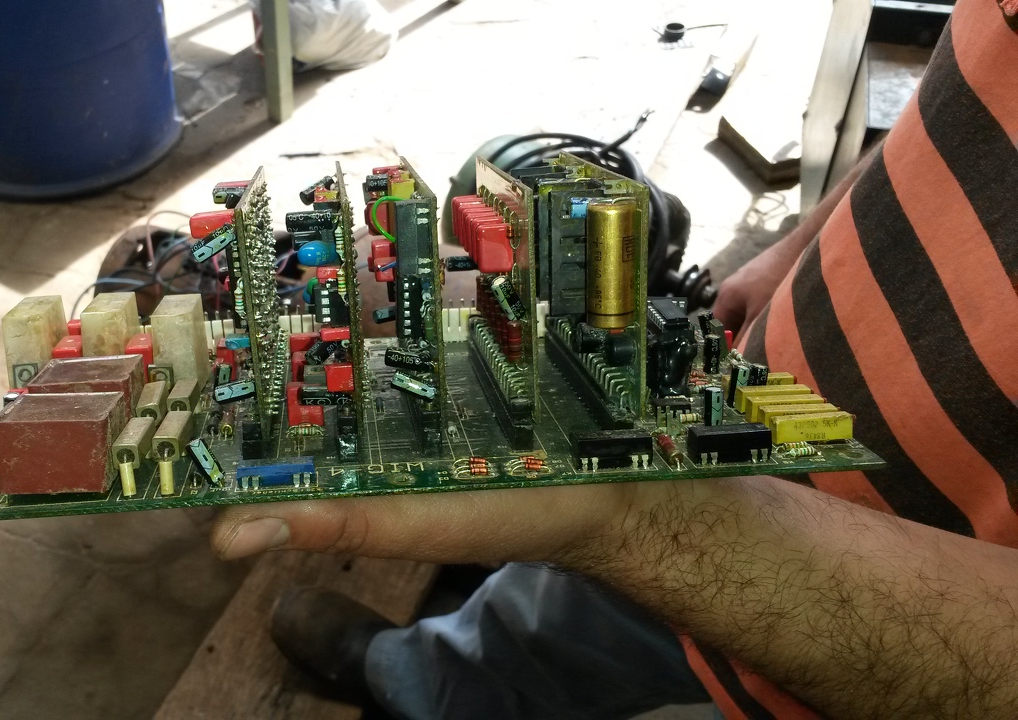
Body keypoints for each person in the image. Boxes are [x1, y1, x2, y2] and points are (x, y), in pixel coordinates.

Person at [209, 1, 1018, 716]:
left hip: (907, 626)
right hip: (750, 389)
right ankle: (421, 681)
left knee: (633, 600)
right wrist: (800, 244)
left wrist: (634, 517)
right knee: (555, 615)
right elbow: (964, 96)